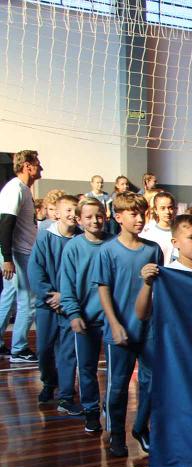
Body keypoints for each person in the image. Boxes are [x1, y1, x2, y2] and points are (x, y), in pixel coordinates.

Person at [134, 214, 192, 467]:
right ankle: (162, 451)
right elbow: (141, 313)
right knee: (171, 411)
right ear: (175, 242)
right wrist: (146, 284)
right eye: (191, 237)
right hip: (173, 357)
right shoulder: (165, 274)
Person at [93, 192, 163, 457]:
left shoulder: (152, 249)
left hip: (149, 330)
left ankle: (140, 428)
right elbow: (103, 290)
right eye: (133, 213)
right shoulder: (108, 251)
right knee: (118, 386)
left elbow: (161, 289)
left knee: (153, 382)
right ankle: (116, 434)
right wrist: (113, 323)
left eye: (142, 213)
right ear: (118, 217)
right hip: (120, 329)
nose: (139, 218)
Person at [59, 197, 110, 433]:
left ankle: (112, 409)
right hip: (85, 320)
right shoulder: (73, 248)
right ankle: (91, 411)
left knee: (115, 370)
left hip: (112, 320)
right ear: (79, 220)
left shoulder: (113, 244)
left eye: (98, 215)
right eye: (88, 217)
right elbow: (67, 285)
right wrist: (73, 314)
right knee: (87, 368)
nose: (95, 220)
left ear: (106, 216)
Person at [27, 195, 80, 412]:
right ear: (56, 213)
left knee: (68, 351)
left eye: (75, 210)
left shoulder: (80, 240)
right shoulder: (44, 238)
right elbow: (35, 270)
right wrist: (51, 295)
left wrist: (65, 297)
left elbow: (81, 275)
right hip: (47, 305)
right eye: (67, 210)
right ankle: (50, 382)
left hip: (69, 306)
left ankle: (66, 395)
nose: (72, 214)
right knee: (44, 348)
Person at [0, 150, 43, 362]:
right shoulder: (15, 188)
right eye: (38, 164)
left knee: (8, 297)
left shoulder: (22, 189)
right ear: (27, 166)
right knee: (29, 299)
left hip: (18, 252)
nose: (41, 168)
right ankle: (19, 349)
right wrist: (7, 257)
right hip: (18, 253)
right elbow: (5, 222)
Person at [140, 191, 177, 265]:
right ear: (156, 210)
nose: (167, 212)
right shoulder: (147, 233)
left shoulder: (180, 231)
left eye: (170, 208)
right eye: (162, 208)